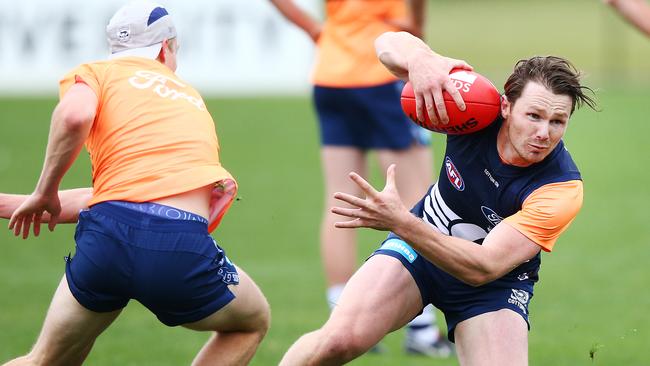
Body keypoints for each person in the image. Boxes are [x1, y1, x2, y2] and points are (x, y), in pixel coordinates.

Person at [278, 31, 597, 366]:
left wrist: (400, 221)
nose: (543, 133)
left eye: (557, 121)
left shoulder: (560, 189)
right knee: (337, 341)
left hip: (493, 286)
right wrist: (421, 60)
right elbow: (386, 44)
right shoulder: (474, 106)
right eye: (533, 116)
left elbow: (483, 267)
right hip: (416, 252)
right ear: (506, 106)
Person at [0, 2, 270, 365]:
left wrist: (42, 191)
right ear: (166, 48)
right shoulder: (189, 97)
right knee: (251, 322)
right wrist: (43, 194)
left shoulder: (98, 73)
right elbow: (76, 119)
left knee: (44, 361)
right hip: (177, 245)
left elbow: (121, 197)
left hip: (106, 241)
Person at [268, 0, 454, 356]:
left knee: (339, 196)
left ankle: (341, 315)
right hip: (383, 72)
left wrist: (314, 29)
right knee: (419, 200)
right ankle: (422, 326)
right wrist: (417, 29)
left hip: (332, 73)